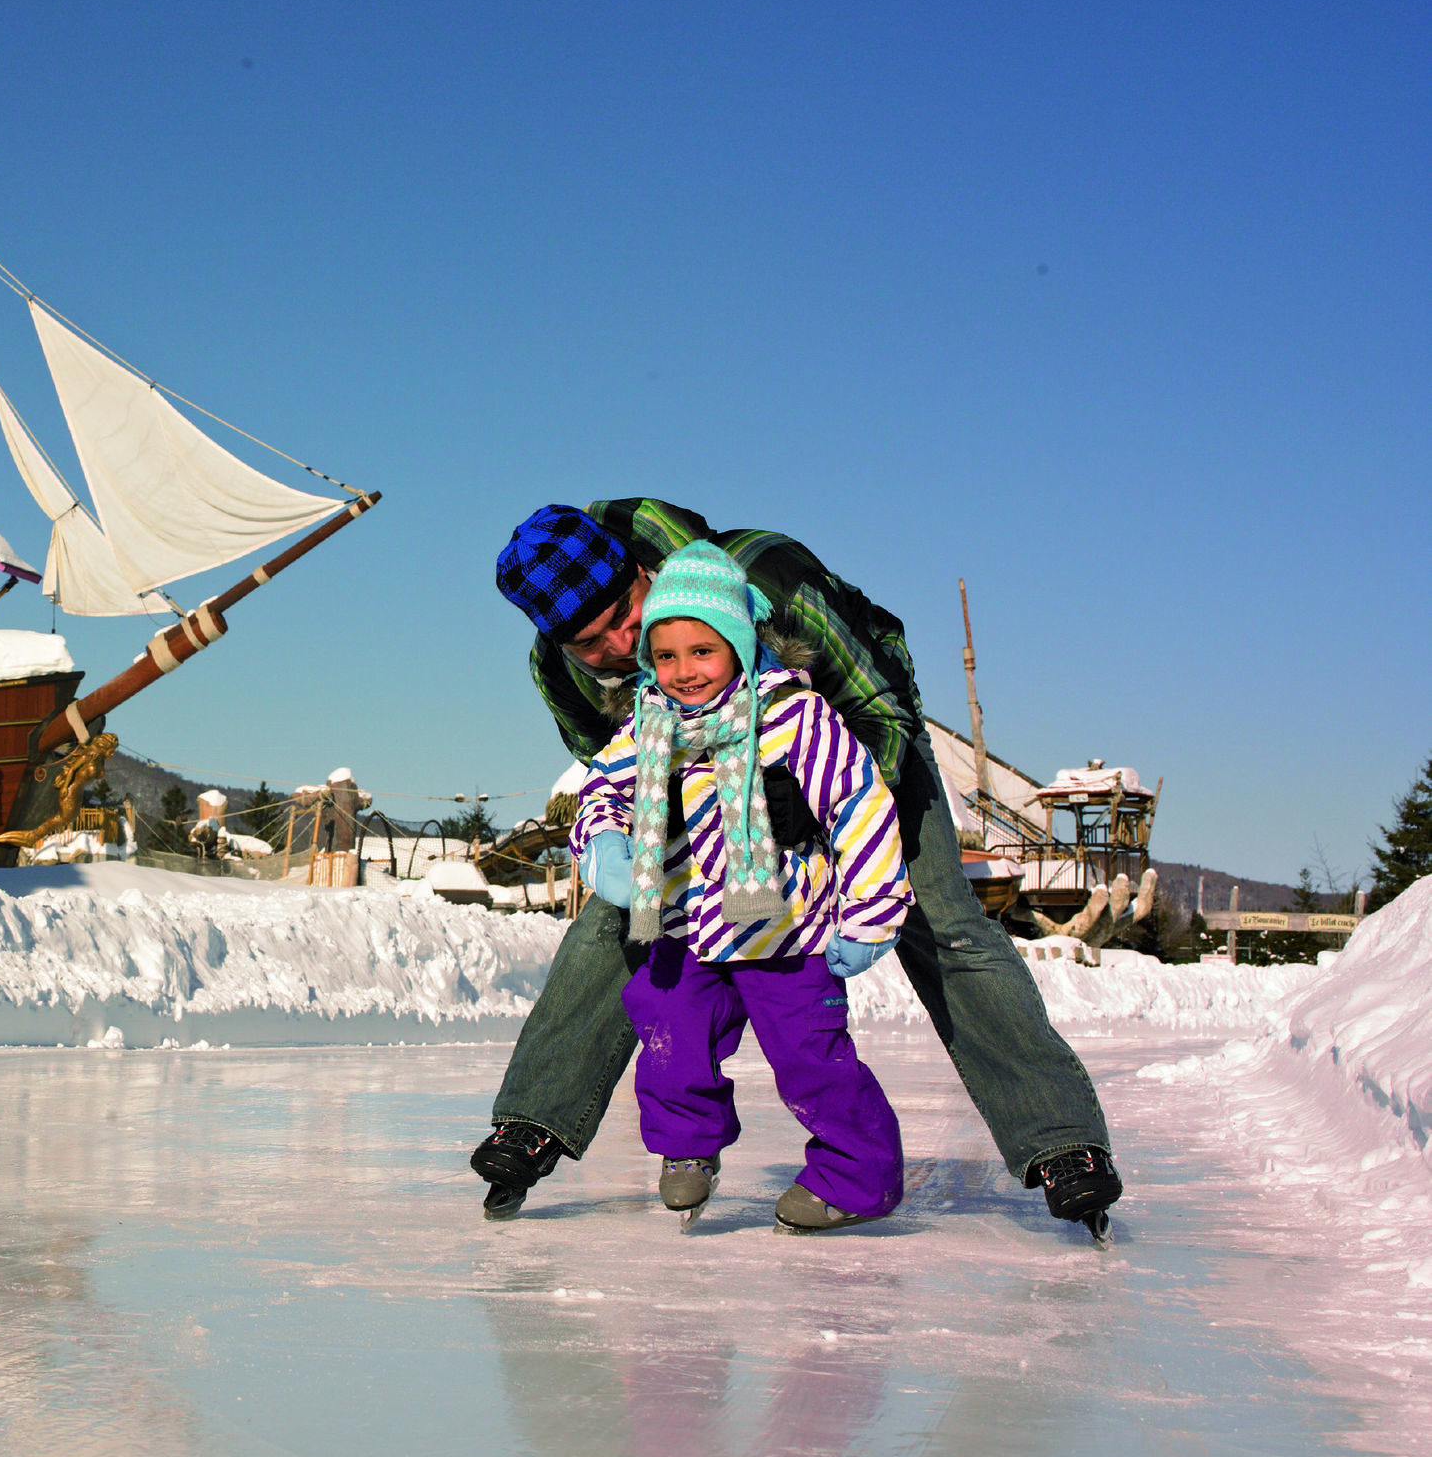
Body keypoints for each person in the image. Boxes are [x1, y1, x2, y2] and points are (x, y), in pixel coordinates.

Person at [473, 499, 1124, 1236]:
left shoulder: (769, 577)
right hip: (699, 767)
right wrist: (641, 829)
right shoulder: (558, 669)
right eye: (593, 644)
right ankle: (534, 1119)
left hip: (853, 741)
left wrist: (810, 808)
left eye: (628, 614)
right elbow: (611, 763)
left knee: (940, 919)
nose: (623, 645)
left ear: (640, 569)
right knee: (626, 915)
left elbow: (880, 706)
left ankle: (1062, 1140)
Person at [576, 542, 911, 1231]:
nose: (683, 672)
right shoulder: (646, 726)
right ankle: (687, 1150)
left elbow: (858, 802)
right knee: (669, 1039)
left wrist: (871, 914)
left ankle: (858, 1177)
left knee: (811, 1063)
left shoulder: (792, 717)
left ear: (736, 642)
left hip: (785, 929)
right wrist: (606, 845)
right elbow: (600, 792)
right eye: (665, 656)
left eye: (702, 651)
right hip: (684, 928)